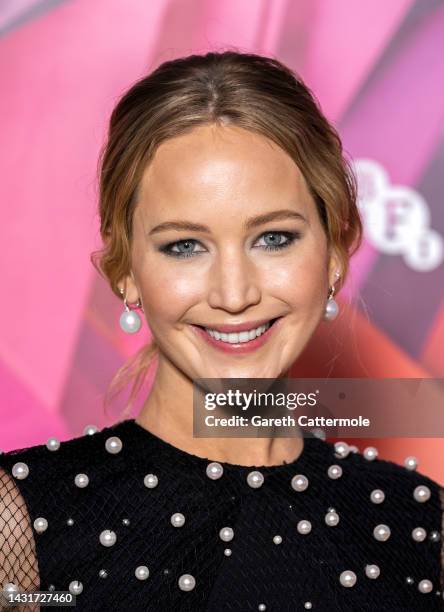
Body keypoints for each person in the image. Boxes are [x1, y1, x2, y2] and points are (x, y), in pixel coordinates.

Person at [0, 50, 442, 612]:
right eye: (184, 247)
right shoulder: (17, 524)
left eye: (274, 238)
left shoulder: (421, 530)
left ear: (335, 249)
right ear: (126, 273)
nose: (234, 295)